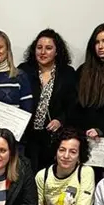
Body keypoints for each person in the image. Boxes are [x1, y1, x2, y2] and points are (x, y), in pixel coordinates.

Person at [17, 29, 77, 171]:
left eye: (48, 48)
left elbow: (73, 104)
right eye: (39, 48)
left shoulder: (67, 73)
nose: (43, 52)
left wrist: (60, 120)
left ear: (57, 51)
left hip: (53, 138)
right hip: (27, 136)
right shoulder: (23, 70)